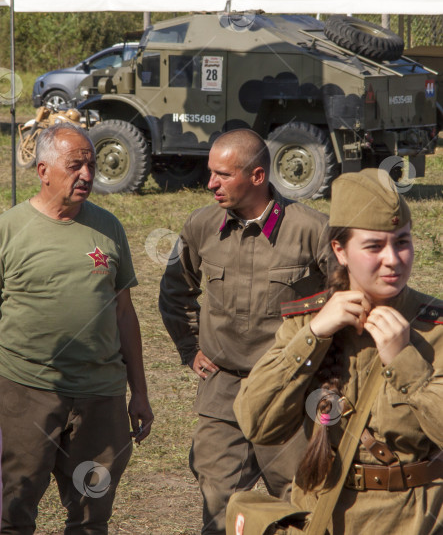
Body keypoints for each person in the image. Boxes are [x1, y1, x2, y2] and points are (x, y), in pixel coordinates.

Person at [231, 168, 443, 534]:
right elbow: (256, 422)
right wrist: (313, 335)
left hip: (411, 520)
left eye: (403, 242)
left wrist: (406, 363)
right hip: (323, 517)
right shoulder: (306, 322)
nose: (393, 259)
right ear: (339, 251)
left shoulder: (434, 328)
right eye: (374, 246)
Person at [159, 129, 329, 535]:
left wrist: (329, 371)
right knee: (219, 507)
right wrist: (189, 349)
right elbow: (174, 292)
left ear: (256, 176)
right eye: (210, 173)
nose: (210, 183)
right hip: (223, 394)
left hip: (289, 396)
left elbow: (347, 300)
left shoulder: (312, 229)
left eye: (222, 174)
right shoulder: (201, 226)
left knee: (297, 505)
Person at [0, 123, 154, 534]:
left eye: (91, 164)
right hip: (24, 392)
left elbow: (124, 313)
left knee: (91, 514)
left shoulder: (109, 227)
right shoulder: (9, 229)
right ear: (44, 170)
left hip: (100, 398)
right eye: (75, 166)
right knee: (12, 510)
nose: (87, 174)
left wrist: (138, 391)